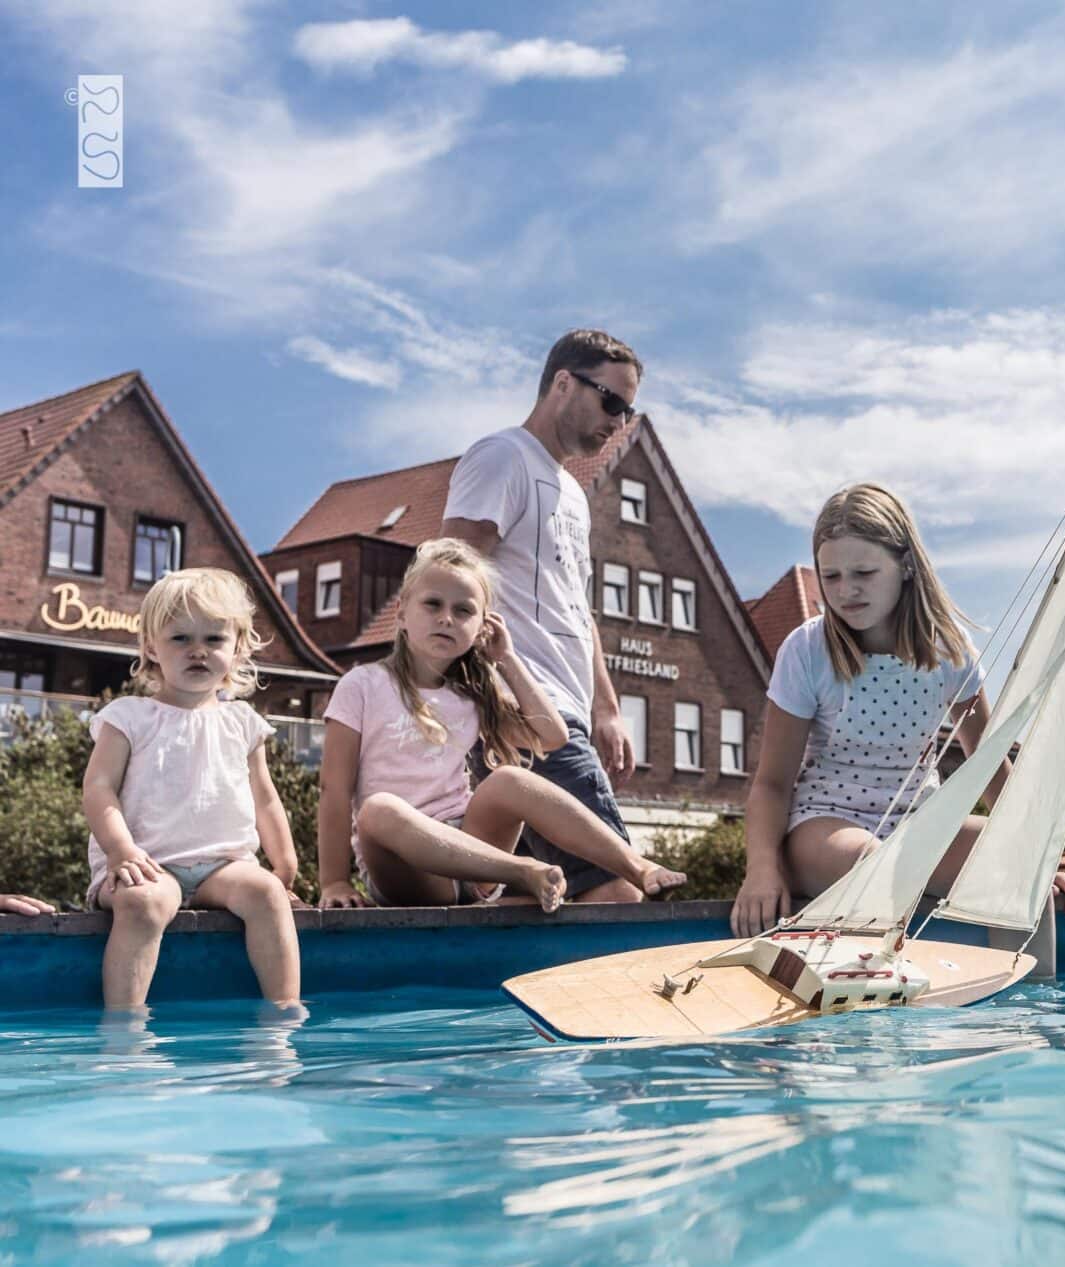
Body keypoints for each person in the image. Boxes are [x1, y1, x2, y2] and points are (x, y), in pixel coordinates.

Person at [729, 483, 1065, 937]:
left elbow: (989, 764)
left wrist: (1038, 867)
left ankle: (1024, 1006)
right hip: (825, 827)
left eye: (864, 573)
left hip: (918, 825)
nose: (846, 591)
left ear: (905, 565)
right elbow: (772, 784)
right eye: (830, 577)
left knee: (1019, 876)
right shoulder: (808, 651)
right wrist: (762, 869)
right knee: (874, 864)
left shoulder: (949, 651)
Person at [316, 539, 684, 911]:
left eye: (463, 611)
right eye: (433, 604)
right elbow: (334, 788)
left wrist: (507, 658)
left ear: (481, 629)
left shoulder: (470, 696)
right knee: (378, 809)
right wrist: (334, 882)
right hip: (409, 869)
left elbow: (553, 737)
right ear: (401, 613)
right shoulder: (361, 685)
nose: (446, 618)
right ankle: (522, 872)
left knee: (512, 779)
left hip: (473, 855)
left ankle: (637, 867)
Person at [440, 329, 664, 903]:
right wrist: (492, 697)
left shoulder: (572, 493)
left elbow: (575, 605)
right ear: (563, 383)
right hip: (524, 717)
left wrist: (608, 707)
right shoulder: (503, 457)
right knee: (620, 891)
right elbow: (447, 580)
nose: (619, 422)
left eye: (629, 410)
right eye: (611, 401)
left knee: (529, 901)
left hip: (562, 715)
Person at [81, 569, 300, 1008]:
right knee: (143, 905)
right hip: (147, 864)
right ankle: (124, 1029)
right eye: (180, 638)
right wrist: (121, 851)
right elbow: (98, 788)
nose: (198, 651)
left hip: (222, 866)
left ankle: (284, 1018)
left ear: (237, 648)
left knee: (267, 894)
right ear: (150, 647)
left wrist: (285, 864)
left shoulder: (242, 722)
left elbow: (265, 797)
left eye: (213, 640)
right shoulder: (129, 717)